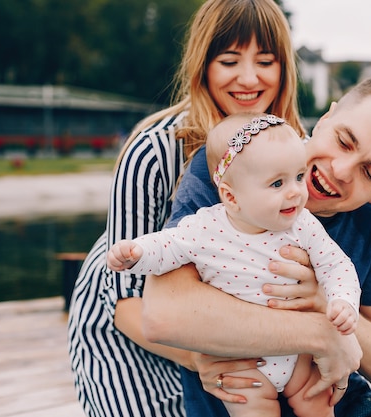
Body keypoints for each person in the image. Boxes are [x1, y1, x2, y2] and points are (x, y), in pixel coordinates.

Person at [140, 75, 371, 417]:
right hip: (241, 402)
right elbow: (162, 314)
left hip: (332, 402)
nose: (341, 170)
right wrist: (321, 334)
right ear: (325, 119)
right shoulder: (239, 162)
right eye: (344, 141)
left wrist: (325, 301)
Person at [67, 1, 304, 416]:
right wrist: (206, 360)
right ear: (203, 65)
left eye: (265, 61)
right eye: (229, 60)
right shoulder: (154, 151)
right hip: (127, 336)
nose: (249, 78)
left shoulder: (289, 147)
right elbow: (124, 304)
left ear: (284, 69)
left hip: (213, 327)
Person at [107, 113, 361, 417]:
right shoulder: (206, 227)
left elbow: (337, 266)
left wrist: (342, 300)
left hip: (299, 354)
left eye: (298, 176)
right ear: (231, 196)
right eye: (277, 183)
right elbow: (168, 246)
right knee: (251, 406)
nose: (295, 191)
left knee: (317, 401)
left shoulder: (303, 225)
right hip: (241, 357)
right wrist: (137, 252)